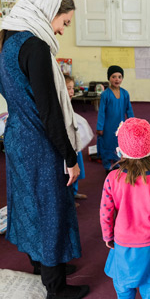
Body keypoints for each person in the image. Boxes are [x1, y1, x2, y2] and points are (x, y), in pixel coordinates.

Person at [0, 0, 89, 299]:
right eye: (64, 22)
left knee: (29, 202)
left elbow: (6, 89)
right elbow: (49, 111)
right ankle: (55, 288)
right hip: (39, 141)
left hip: (16, 134)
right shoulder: (35, 47)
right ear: (49, 11)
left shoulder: (1, 40)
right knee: (51, 208)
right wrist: (70, 157)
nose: (61, 30)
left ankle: (44, 265)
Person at [100, 118, 150, 299]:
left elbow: (105, 212)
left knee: (123, 283)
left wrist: (108, 236)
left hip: (122, 242)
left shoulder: (112, 178)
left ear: (120, 150)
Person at [96, 65, 134, 173]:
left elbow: (129, 109)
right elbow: (101, 112)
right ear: (109, 78)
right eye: (114, 77)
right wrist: (100, 127)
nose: (117, 79)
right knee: (107, 144)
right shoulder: (105, 95)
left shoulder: (125, 93)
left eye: (119, 77)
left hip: (120, 126)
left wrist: (132, 123)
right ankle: (107, 166)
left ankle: (117, 164)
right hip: (108, 126)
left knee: (119, 144)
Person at [65, 75, 93, 204]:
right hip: (68, 145)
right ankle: (69, 198)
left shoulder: (67, 103)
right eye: (68, 88)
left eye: (72, 88)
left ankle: (74, 192)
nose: (71, 92)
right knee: (68, 172)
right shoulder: (59, 105)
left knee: (78, 168)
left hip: (75, 144)